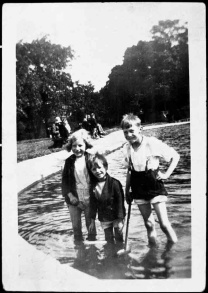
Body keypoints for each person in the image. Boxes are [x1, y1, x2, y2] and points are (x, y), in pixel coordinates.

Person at [121, 113, 180, 245]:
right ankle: (153, 254)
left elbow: (175, 156)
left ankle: (173, 251)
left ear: (140, 129)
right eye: (125, 132)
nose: (128, 135)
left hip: (153, 184)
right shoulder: (126, 148)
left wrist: (166, 175)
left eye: (131, 131)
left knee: (164, 224)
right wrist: (126, 192)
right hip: (137, 186)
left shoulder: (151, 143)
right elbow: (129, 171)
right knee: (149, 224)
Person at [62, 129, 97, 242]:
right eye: (74, 146)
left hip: (89, 196)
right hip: (74, 196)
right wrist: (71, 197)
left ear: (86, 145)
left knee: (90, 225)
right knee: (76, 226)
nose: (77, 149)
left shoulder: (91, 158)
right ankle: (79, 250)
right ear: (70, 146)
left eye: (80, 145)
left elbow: (98, 177)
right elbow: (65, 182)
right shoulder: (69, 161)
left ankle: (92, 250)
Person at [88, 152, 126, 244]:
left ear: (106, 167)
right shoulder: (93, 186)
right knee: (108, 239)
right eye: (94, 169)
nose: (97, 171)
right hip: (104, 218)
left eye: (100, 168)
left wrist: (120, 219)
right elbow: (93, 205)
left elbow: (120, 203)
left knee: (119, 237)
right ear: (91, 171)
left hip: (116, 216)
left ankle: (120, 254)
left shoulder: (115, 183)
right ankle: (110, 256)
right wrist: (92, 221)